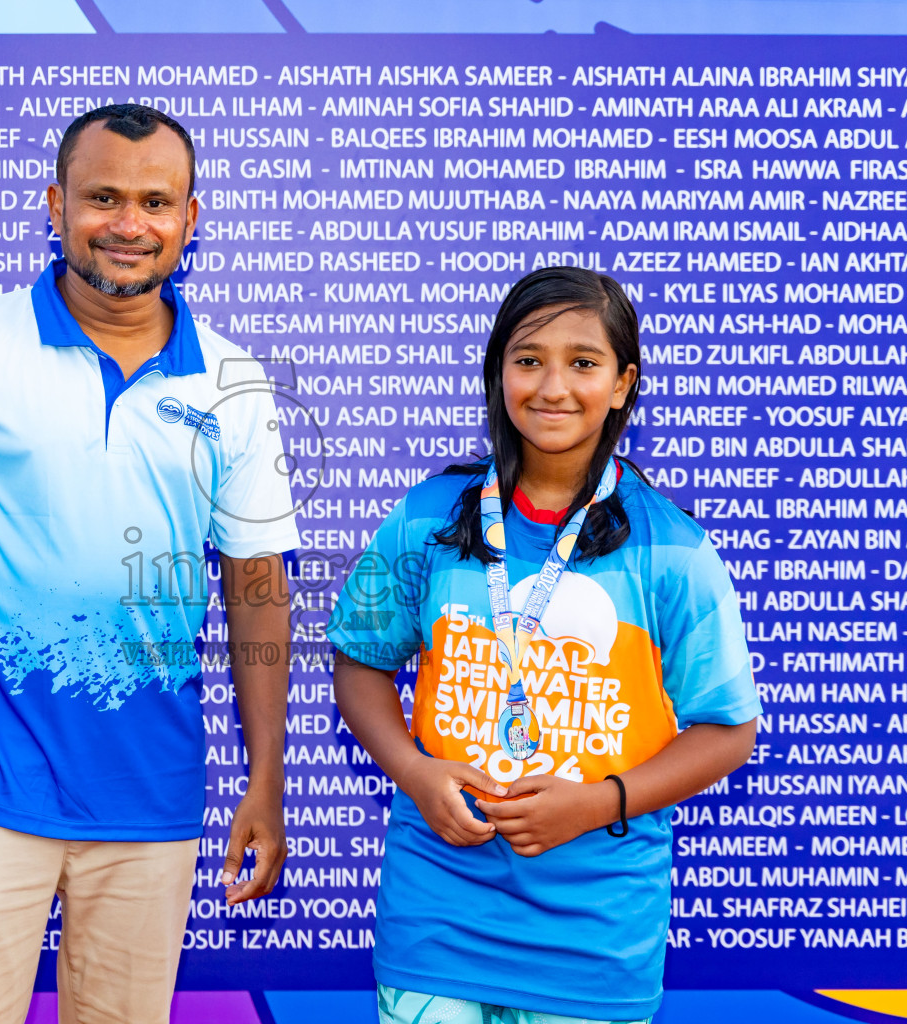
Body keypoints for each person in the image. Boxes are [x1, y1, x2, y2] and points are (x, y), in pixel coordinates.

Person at [0, 104, 299, 1024]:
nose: (128, 224)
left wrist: (267, 777)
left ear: (190, 219)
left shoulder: (232, 380)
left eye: (154, 201)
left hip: (153, 798)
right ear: (55, 206)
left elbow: (256, 589)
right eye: (102, 197)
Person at [326, 266, 760, 1024]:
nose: (553, 385)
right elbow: (360, 663)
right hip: (438, 916)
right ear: (498, 374)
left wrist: (599, 802)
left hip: (594, 935)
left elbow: (729, 731)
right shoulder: (427, 516)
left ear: (623, 383)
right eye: (528, 359)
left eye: (583, 363)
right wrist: (418, 774)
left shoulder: (675, 547)